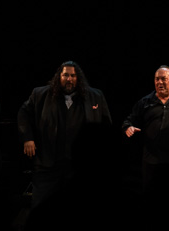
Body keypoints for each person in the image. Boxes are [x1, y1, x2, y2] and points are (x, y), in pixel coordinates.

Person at [18, 61, 112, 206]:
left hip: (81, 165)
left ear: (78, 78)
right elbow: (23, 114)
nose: (69, 79)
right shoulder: (41, 94)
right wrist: (27, 138)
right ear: (59, 77)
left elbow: (106, 126)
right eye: (65, 75)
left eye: (73, 76)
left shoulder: (95, 96)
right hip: (48, 164)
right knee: (41, 205)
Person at [123, 66, 169, 189]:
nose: (159, 82)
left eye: (164, 79)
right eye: (157, 79)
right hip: (151, 161)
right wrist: (128, 127)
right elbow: (129, 120)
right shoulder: (145, 102)